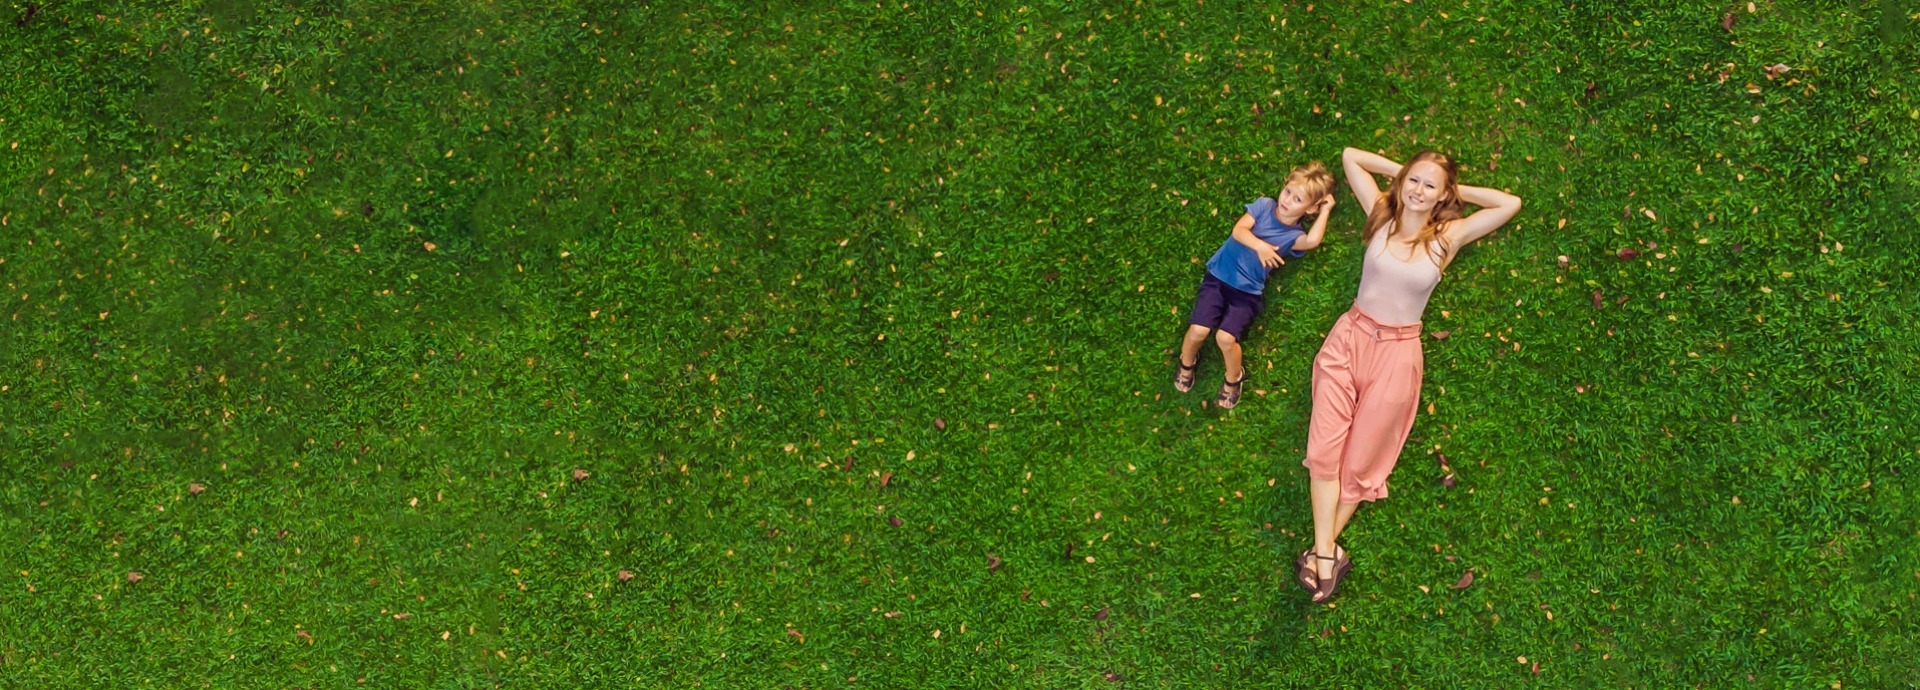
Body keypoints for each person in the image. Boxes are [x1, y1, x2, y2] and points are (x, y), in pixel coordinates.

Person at [1297, 147, 1523, 602]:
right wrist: (1401, 174)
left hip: (1398, 356)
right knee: (1324, 450)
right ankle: (1326, 554)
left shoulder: (1448, 238)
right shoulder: (1380, 214)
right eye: (1414, 182)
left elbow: (1509, 204)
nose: (1419, 191)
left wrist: (1455, 189)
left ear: (1443, 196)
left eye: (1430, 186)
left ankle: (1322, 553)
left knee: (1360, 463)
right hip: (1349, 341)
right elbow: (1350, 158)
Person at [1175, 162, 1335, 409]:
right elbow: (1238, 231)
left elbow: (1313, 241)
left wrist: (1326, 210)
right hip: (1218, 278)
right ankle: (1187, 362)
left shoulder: (1292, 237)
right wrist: (1259, 245)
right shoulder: (1264, 206)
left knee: (1226, 338)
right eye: (1288, 192)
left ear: (1310, 208)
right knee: (1198, 330)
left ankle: (1233, 377)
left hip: (1247, 292)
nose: (1288, 200)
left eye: (1298, 199)